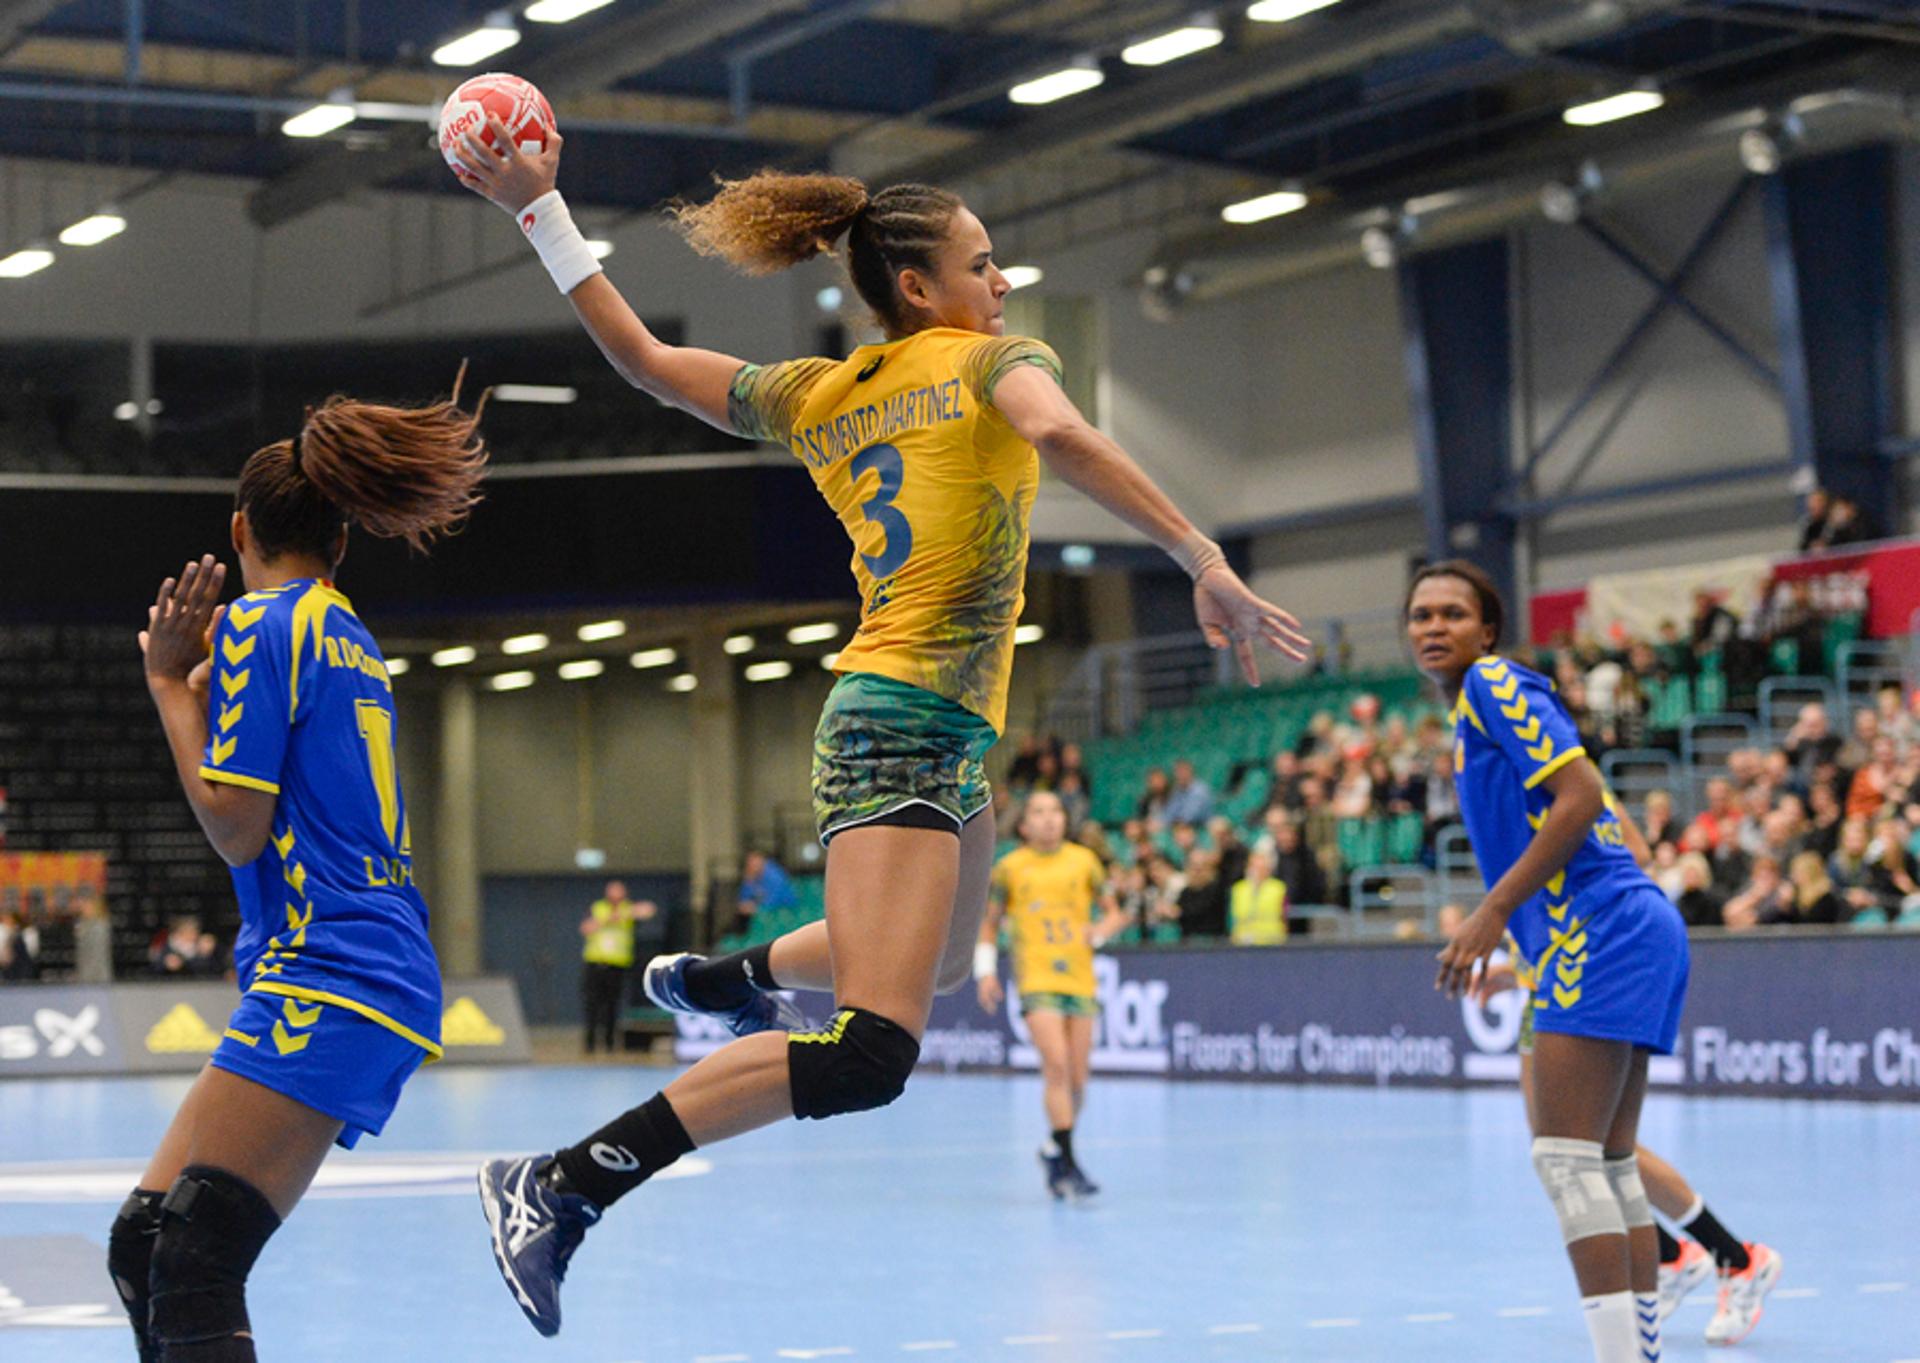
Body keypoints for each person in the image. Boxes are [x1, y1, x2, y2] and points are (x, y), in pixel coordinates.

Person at [453, 123, 1310, 1337]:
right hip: (901, 718)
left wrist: (542, 210)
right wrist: (1202, 557)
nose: (1001, 280)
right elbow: (1062, 434)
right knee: (867, 1053)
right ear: (921, 288)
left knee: (949, 965)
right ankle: (561, 1182)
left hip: (938, 727)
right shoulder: (988, 361)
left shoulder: (819, 391)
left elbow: (645, 361)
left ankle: (725, 976)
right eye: (982, 260)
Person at [112, 381, 483, 1361]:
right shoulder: (341, 628)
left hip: (334, 969)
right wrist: (206, 687)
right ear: (343, 539)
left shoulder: (259, 626)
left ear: (239, 527)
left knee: (193, 1260)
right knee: (146, 1242)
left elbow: (236, 827)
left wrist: (166, 684)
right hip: (352, 964)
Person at [1414, 560, 1694, 1363]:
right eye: (1420, 614)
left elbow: (1578, 801)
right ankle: (1638, 1353)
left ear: (1487, 631)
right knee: (1605, 1163)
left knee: (1566, 1161)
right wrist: (1524, 959)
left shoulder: (1496, 683)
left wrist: (1493, 911)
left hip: (1604, 926)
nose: (1433, 626)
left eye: (1452, 614)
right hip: (1614, 928)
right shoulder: (1476, 712)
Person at [974, 790, 1122, 1199]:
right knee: (1055, 1067)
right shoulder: (1010, 869)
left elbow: (1113, 910)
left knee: (1077, 1080)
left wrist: (1101, 931)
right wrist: (986, 973)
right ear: (1024, 825)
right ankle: (1069, 1164)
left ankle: (1054, 1147)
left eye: (1055, 811)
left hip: (1080, 978)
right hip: (1037, 978)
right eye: (1039, 813)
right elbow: (990, 924)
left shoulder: (1084, 861)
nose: (1049, 819)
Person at [579, 881, 638, 1055]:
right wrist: (609, 919)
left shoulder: (628, 908)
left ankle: (610, 1044)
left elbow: (647, 910)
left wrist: (623, 914)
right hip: (595, 963)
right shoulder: (597, 908)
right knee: (592, 1005)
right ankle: (589, 1044)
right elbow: (586, 928)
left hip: (617, 965)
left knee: (612, 1005)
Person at [1228, 849, 1287, 945]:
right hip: (1242, 942)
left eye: (1262, 868)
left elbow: (1284, 917)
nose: (1258, 871)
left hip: (1271, 941)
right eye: (1255, 867)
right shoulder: (1238, 889)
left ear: (1269, 869)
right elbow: (1231, 919)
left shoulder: (1279, 888)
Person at [734, 849, 796, 934]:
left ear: (762, 861)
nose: (751, 866)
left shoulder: (774, 876)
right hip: (763, 913)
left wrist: (757, 908)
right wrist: (748, 882)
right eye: (749, 863)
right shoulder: (753, 875)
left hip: (784, 911)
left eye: (754, 862)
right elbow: (743, 899)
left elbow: (775, 900)